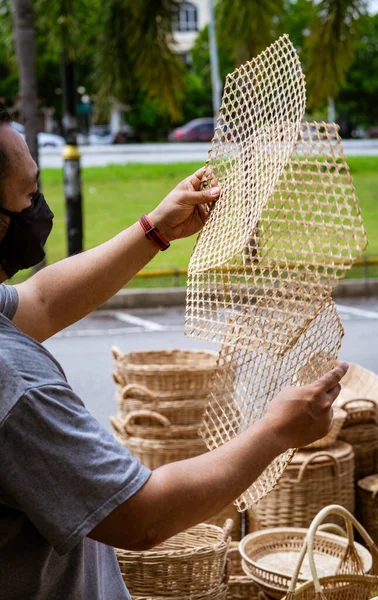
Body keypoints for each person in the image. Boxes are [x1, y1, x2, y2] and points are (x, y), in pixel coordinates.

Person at [0, 101, 348, 599]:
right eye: (29, 195)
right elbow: (140, 518)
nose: (40, 206)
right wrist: (277, 431)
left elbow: (41, 301)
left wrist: (156, 230)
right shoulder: (15, 385)